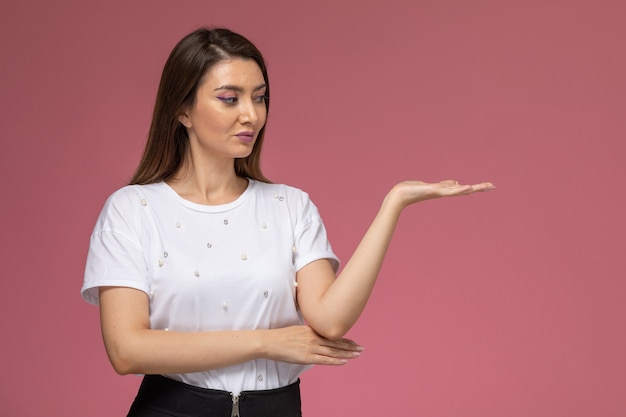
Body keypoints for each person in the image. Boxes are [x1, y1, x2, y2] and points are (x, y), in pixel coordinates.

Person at [81, 27, 494, 417]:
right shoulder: (132, 209)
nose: (251, 115)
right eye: (230, 98)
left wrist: (393, 204)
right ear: (183, 110)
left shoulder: (289, 206)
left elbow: (330, 320)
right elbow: (127, 349)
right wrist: (268, 342)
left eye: (259, 98)